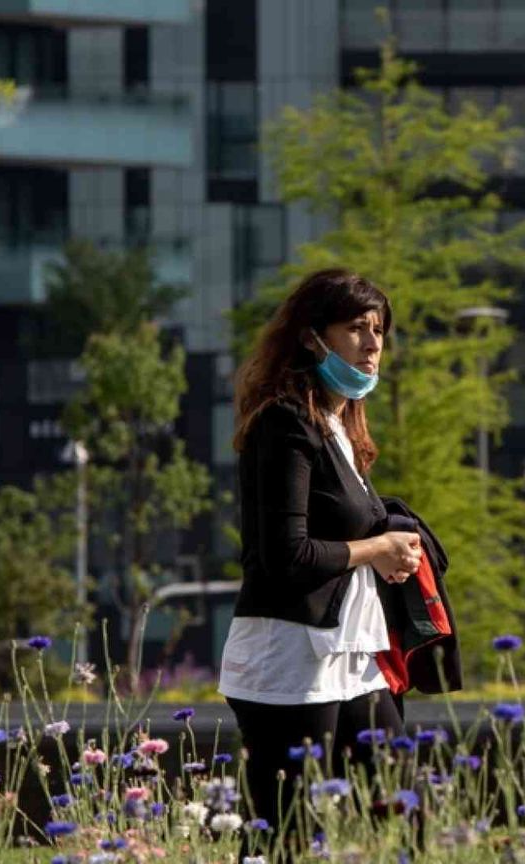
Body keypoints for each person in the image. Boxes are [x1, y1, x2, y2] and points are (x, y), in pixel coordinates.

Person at [219, 269, 423, 858]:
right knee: (285, 834)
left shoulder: (339, 426)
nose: (373, 342)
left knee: (403, 805)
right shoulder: (284, 424)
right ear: (313, 338)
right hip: (292, 658)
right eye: (356, 328)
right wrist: (374, 550)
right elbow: (286, 556)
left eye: (379, 329)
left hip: (352, 655)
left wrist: (394, 547)